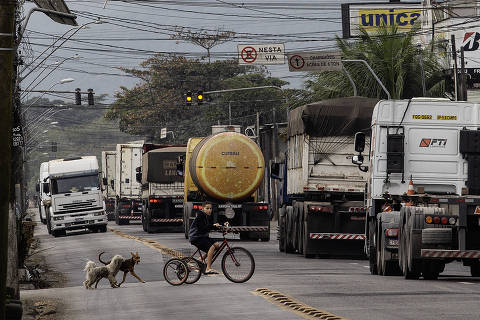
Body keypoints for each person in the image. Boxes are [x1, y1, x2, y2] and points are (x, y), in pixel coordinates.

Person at [188, 202, 221, 274]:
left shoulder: (207, 216)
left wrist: (216, 226)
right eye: (207, 208)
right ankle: (208, 268)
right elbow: (202, 228)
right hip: (196, 237)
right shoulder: (200, 215)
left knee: (217, 245)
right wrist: (213, 226)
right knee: (211, 247)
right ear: (203, 209)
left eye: (211, 208)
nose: (209, 210)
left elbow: (209, 226)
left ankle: (200, 259)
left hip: (202, 236)